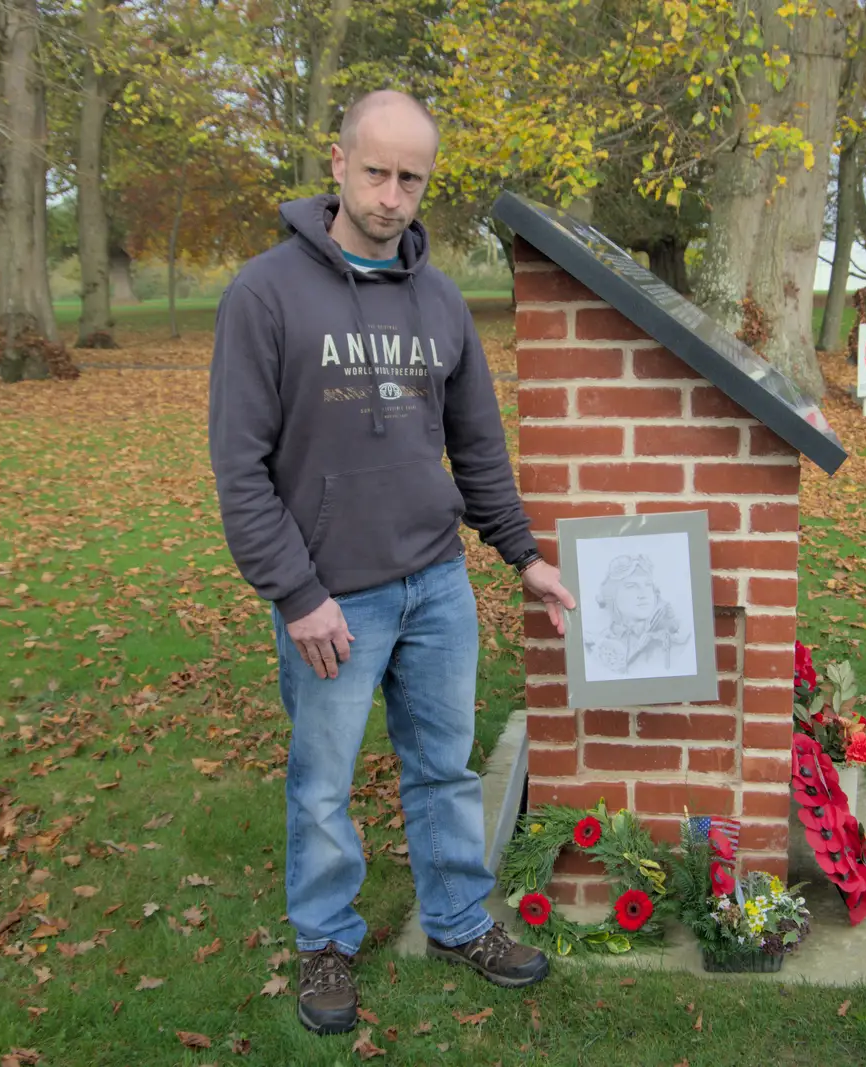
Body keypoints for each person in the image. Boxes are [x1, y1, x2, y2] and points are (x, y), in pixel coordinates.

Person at [207, 89, 577, 1036]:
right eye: (375, 171)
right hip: (333, 599)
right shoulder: (265, 293)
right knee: (323, 783)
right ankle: (325, 941)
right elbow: (240, 469)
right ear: (337, 164)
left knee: (445, 768)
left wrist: (523, 556)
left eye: (411, 177)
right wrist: (298, 593)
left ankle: (458, 918)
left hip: (438, 586)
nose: (391, 194)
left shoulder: (441, 300)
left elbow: (479, 450)